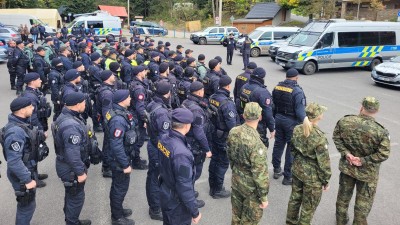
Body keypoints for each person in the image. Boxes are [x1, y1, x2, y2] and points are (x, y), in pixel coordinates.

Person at [333, 97, 391, 225]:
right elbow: (383, 153)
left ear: (361, 107)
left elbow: (336, 138)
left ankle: (340, 221)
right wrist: (363, 160)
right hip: (367, 174)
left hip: (347, 168)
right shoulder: (380, 131)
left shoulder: (345, 121)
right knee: (363, 204)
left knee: (343, 197)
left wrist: (347, 153)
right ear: (377, 110)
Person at [286, 102, 331, 225]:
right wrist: (326, 180)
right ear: (319, 116)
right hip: (312, 177)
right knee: (308, 206)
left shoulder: (297, 129)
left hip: (297, 169)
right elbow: (324, 163)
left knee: (295, 198)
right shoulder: (319, 137)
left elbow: (293, 149)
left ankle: (290, 222)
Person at [52, 92, 93, 225]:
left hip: (66, 164)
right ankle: (72, 222)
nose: (85, 105)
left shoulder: (67, 116)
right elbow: (72, 153)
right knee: (76, 197)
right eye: (84, 103)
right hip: (70, 167)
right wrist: (80, 172)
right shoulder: (71, 126)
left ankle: (71, 219)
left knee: (71, 195)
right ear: (77, 104)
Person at [227, 102, 269, 225]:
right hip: (251, 187)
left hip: (236, 179)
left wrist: (235, 169)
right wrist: (264, 197)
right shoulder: (257, 143)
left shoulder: (234, 131)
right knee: (250, 220)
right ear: (260, 117)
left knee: (236, 215)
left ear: (244, 116)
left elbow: (230, 154)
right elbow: (260, 173)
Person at [158, 108, 202, 225]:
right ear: (187, 125)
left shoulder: (164, 138)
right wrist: (195, 212)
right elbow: (184, 186)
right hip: (177, 202)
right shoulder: (181, 153)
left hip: (165, 191)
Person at [3, 97, 37, 225]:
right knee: (26, 207)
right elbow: (14, 161)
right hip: (20, 174)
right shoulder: (15, 132)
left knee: (28, 204)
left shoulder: (21, 123)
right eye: (30, 106)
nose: (32, 108)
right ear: (22, 110)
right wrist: (27, 180)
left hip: (25, 169)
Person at [105, 90, 136, 225]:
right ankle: (117, 217)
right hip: (118, 159)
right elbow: (116, 145)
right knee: (119, 187)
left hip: (119, 155)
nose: (130, 99)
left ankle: (118, 210)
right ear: (122, 100)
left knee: (118, 186)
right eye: (128, 97)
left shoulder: (117, 112)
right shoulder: (118, 119)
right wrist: (125, 164)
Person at [272, 68, 307, 185]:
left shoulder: (277, 87)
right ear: (297, 78)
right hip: (291, 122)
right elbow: (300, 112)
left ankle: (276, 169)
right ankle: (288, 177)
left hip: (278, 119)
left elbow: (273, 105)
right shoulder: (297, 91)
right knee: (291, 148)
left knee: (278, 144)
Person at [208, 76, 239, 198]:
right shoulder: (227, 103)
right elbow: (232, 126)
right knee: (222, 163)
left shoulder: (212, 97)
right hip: (224, 137)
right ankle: (218, 190)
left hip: (214, 133)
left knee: (215, 160)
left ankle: (213, 186)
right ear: (228, 86)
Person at [145, 81, 172, 221]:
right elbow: (165, 137)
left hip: (153, 142)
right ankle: (155, 209)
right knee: (155, 177)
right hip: (157, 147)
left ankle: (155, 204)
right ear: (167, 93)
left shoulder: (153, 103)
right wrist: (167, 154)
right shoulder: (161, 112)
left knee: (153, 176)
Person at [181, 81, 212, 201]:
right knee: (194, 173)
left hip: (187, 141)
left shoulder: (186, 102)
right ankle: (189, 198)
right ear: (199, 92)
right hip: (194, 145)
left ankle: (189, 192)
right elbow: (199, 133)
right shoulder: (197, 109)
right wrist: (207, 149)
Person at [239, 67, 275, 148]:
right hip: (257, 125)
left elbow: (239, 103)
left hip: (244, 120)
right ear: (262, 78)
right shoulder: (262, 92)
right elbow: (268, 112)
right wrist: (272, 129)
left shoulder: (244, 87)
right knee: (259, 147)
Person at [96, 70, 116, 177]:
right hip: (109, 122)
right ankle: (106, 167)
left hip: (109, 121)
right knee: (108, 144)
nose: (114, 76)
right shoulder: (107, 93)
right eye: (112, 75)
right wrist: (110, 123)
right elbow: (107, 111)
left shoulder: (107, 89)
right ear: (108, 77)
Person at [129, 66, 150, 170]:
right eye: (143, 71)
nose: (145, 72)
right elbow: (140, 106)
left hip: (134, 114)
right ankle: (135, 162)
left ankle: (135, 158)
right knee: (138, 139)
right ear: (139, 73)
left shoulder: (135, 83)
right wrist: (145, 119)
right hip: (137, 116)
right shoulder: (139, 88)